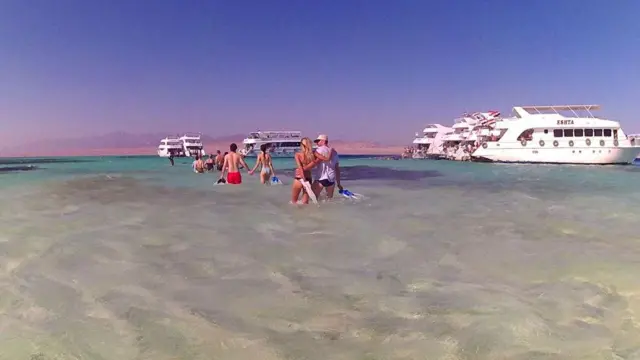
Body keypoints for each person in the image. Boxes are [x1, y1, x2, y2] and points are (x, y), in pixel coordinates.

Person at [311, 134, 342, 199]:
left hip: (321, 177)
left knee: (313, 199)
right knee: (329, 200)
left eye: (318, 141)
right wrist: (339, 183)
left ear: (323, 141)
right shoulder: (335, 152)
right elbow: (337, 169)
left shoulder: (318, 150)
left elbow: (313, 163)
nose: (316, 143)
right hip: (331, 179)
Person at [291, 137, 317, 204]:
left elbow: (300, 168)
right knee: (305, 203)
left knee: (294, 202)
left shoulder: (298, 155)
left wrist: (303, 179)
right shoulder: (313, 155)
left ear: (302, 145)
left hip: (299, 179)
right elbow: (320, 160)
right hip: (308, 179)